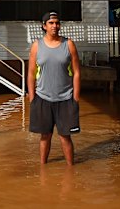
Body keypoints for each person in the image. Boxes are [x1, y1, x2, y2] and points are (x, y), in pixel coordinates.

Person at [27, 10, 81, 165]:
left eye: (57, 23)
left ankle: (71, 169)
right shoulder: (37, 46)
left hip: (66, 99)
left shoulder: (68, 44)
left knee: (65, 136)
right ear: (44, 26)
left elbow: (77, 72)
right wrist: (32, 98)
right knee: (45, 136)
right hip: (43, 98)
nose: (55, 26)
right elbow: (30, 74)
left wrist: (75, 98)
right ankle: (43, 168)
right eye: (51, 23)